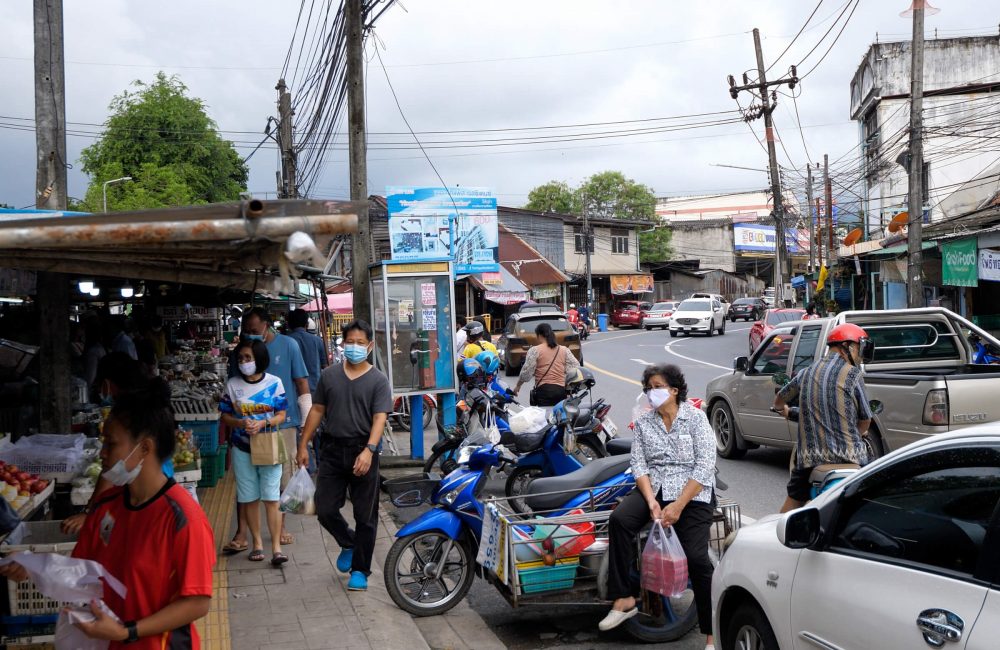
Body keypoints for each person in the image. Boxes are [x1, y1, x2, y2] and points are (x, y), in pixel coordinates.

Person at [4, 380, 215, 648]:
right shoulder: (107, 506)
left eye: (111, 444)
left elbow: (197, 602)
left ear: (145, 449)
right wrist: (32, 568)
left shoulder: (183, 518)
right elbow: (83, 572)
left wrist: (127, 632)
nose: (102, 453)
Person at [599, 364, 716, 650]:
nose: (652, 392)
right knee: (620, 520)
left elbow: (704, 466)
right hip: (657, 488)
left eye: (658, 387)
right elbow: (638, 464)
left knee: (698, 558)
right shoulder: (644, 423)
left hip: (692, 493)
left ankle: (713, 632)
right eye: (649, 388)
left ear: (674, 390)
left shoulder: (696, 419)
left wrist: (678, 505)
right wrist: (651, 500)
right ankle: (624, 597)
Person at [297, 319, 392, 592]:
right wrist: (303, 444)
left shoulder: (378, 380)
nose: (354, 347)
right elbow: (316, 411)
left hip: (364, 449)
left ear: (370, 346)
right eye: (350, 342)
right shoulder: (329, 376)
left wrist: (369, 451)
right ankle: (348, 542)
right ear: (342, 343)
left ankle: (360, 570)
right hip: (332, 449)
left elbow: (380, 418)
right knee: (324, 507)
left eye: (360, 343)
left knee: (366, 515)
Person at [773, 323, 874, 513]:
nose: (860, 355)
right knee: (871, 495)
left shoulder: (806, 372)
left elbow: (780, 400)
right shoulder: (853, 375)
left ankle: (779, 537)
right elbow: (865, 420)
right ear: (847, 347)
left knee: (791, 505)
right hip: (852, 458)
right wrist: (859, 433)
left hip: (810, 460)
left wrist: (783, 409)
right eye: (859, 349)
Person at [239, 307, 311, 546]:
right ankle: (243, 532)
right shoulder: (242, 352)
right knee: (248, 481)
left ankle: (280, 528)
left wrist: (305, 420)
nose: (250, 334)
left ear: (267, 325)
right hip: (249, 425)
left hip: (284, 423)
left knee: (283, 479)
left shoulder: (289, 345)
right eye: (246, 331)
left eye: (254, 330)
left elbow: (301, 382)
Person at [220, 340, 289, 566]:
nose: (244, 363)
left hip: (269, 446)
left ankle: (276, 548)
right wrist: (241, 424)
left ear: (259, 358)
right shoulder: (232, 385)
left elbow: (282, 414)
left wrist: (263, 423)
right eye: (240, 359)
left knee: (271, 498)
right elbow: (225, 416)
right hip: (241, 448)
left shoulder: (275, 383)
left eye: (248, 358)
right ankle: (257, 544)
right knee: (249, 498)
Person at [514, 322, 579, 406]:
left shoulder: (535, 350)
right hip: (561, 391)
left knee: (545, 417)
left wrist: (518, 386)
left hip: (543, 391)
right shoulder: (564, 350)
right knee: (559, 417)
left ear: (540, 335)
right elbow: (575, 368)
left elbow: (526, 372)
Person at [286, 309, 327, 392]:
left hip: (293, 391)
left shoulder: (285, 341)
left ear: (289, 325)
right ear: (307, 324)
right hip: (314, 390)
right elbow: (325, 366)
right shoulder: (317, 341)